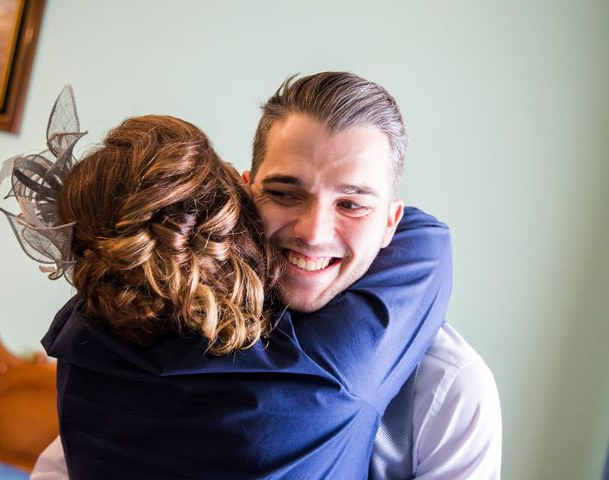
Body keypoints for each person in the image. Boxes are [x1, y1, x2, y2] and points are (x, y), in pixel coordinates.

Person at [31, 72, 502, 479]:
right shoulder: (165, 311)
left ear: (391, 224)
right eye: (285, 193)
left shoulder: (447, 387)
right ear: (244, 190)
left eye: (352, 204)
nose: (313, 233)